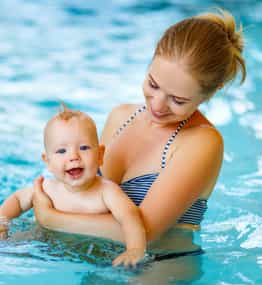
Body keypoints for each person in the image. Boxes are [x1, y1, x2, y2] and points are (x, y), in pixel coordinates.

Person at [31, 9, 246, 252]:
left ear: (211, 92)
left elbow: (147, 231)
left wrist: (51, 219)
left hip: (161, 266)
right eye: (153, 84)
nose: (156, 105)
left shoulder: (202, 142)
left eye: (177, 100)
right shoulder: (120, 116)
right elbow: (89, 194)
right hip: (99, 252)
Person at [0, 105, 147, 267]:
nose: (73, 157)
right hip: (42, 244)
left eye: (83, 148)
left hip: (91, 255)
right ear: (48, 162)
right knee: (3, 248)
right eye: (61, 151)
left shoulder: (107, 191)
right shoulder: (47, 189)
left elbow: (130, 217)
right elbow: (17, 199)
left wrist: (135, 249)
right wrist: (1, 219)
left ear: (100, 155)